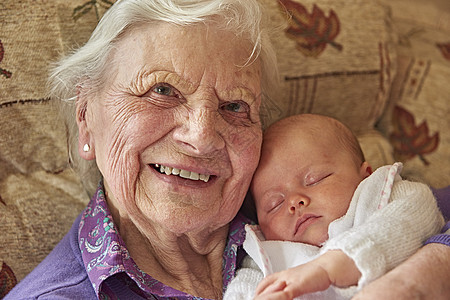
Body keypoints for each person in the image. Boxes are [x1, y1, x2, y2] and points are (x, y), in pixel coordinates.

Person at [4, 0, 450, 299]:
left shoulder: (281, 203)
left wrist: (423, 274)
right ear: (86, 115)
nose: (201, 136)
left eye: (234, 105)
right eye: (162, 89)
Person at [224, 114, 445, 300]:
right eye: (275, 204)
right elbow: (241, 290)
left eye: (315, 180)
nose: (294, 202)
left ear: (365, 176)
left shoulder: (381, 198)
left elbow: (415, 215)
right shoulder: (267, 255)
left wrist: (332, 264)